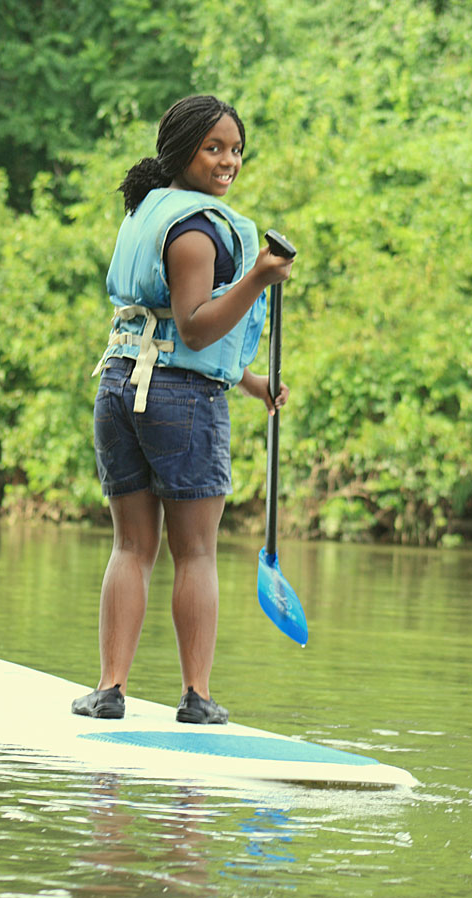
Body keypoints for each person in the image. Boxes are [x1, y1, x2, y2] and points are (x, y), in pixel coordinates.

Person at [72, 94, 294, 724]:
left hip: (119, 386)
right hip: (178, 401)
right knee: (194, 552)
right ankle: (196, 697)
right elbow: (195, 330)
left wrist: (249, 382)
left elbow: (164, 327)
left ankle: (109, 689)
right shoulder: (197, 232)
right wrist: (257, 278)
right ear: (182, 151)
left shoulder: (149, 209)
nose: (228, 161)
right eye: (214, 148)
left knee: (132, 546)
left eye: (236, 150)